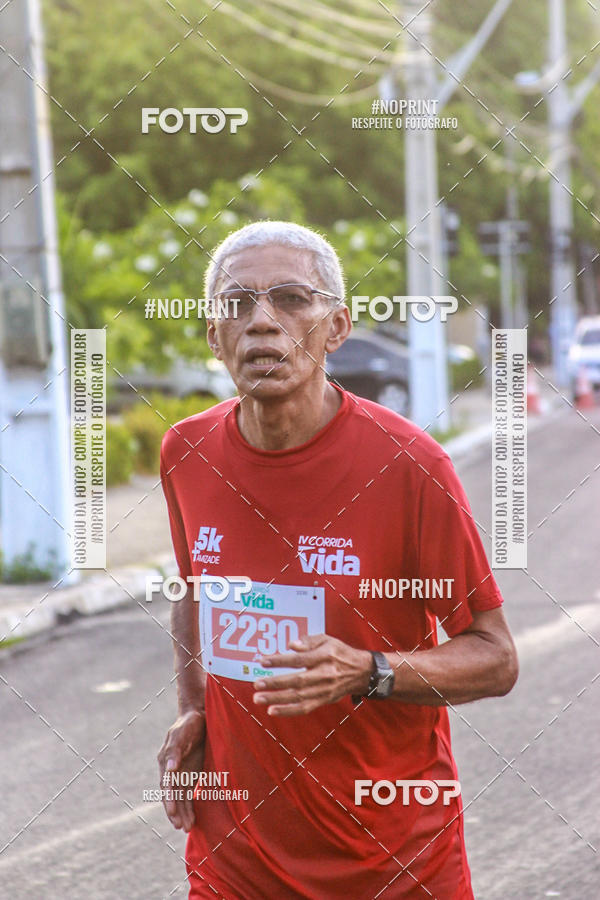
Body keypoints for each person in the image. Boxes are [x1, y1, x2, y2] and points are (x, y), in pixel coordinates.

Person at [157, 221, 518, 899]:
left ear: (337, 327)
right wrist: (193, 709)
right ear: (213, 336)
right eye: (237, 305)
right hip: (236, 863)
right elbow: (193, 591)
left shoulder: (412, 466)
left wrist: (369, 671)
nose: (263, 323)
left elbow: (496, 658)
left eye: (292, 299)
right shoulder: (186, 452)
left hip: (392, 862)